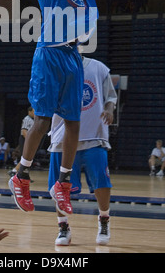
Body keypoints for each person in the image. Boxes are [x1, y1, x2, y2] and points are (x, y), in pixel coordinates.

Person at [9, 0, 106, 215]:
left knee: (74, 122)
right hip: (48, 53)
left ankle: (62, 183)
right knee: (43, 120)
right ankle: (21, 175)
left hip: (71, 56)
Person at [48, 55, 117, 246]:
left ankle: (104, 220)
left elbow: (110, 96)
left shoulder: (99, 68)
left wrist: (110, 109)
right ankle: (63, 227)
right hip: (62, 137)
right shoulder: (54, 66)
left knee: (101, 183)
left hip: (94, 135)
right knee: (60, 187)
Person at [9, 107, 35, 177]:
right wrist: (30, 141)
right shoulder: (27, 119)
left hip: (28, 139)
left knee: (28, 157)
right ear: (29, 112)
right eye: (33, 111)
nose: (34, 113)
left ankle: (21, 173)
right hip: (25, 139)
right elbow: (24, 132)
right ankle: (15, 171)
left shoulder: (33, 120)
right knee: (26, 157)